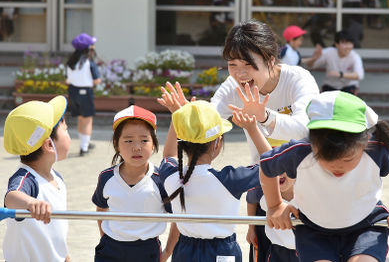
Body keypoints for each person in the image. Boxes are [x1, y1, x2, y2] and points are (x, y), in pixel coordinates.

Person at [254, 91, 389, 262]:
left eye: (348, 159)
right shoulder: (300, 152)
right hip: (314, 229)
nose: (337, 167)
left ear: (364, 143)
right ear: (313, 143)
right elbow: (267, 166)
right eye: (326, 159)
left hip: (366, 224)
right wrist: (275, 205)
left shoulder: (376, 151)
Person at [160, 19, 320, 164]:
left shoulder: (298, 79)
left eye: (248, 64)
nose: (240, 74)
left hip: (304, 173)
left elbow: (306, 128)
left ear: (270, 61)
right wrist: (187, 116)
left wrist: (265, 117)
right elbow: (209, 121)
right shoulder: (232, 87)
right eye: (233, 65)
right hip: (263, 176)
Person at [158, 99, 269, 261]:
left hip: (185, 250)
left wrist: (179, 117)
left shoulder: (171, 176)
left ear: (182, 143)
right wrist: (252, 129)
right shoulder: (230, 180)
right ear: (217, 143)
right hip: (223, 250)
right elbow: (272, 164)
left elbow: (168, 156)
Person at [91, 105, 174, 262]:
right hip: (110, 249)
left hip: (147, 250)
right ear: (116, 144)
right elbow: (101, 209)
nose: (136, 147)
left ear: (154, 144)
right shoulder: (106, 177)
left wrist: (168, 251)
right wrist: (105, 236)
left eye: (144, 140)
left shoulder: (161, 179)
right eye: (128, 140)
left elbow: (178, 217)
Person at [3, 95, 71, 262]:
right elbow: (12, 197)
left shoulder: (57, 178)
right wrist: (31, 203)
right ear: (49, 145)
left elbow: (57, 229)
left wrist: (65, 256)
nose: (69, 135)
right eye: (66, 130)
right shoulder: (26, 179)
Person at [246, 173, 298, 262]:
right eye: (274, 169)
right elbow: (250, 198)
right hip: (276, 251)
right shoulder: (263, 192)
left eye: (284, 167)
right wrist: (251, 228)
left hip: (303, 250)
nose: (280, 173)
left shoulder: (308, 193)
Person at [66, 33, 101, 156]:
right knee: (87, 120)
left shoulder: (71, 61)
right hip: (85, 92)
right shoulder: (89, 62)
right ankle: (84, 147)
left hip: (73, 91)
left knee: (80, 118)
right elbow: (97, 80)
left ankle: (84, 142)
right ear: (89, 48)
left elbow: (68, 79)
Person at [306, 30, 364, 95]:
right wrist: (314, 58)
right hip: (330, 85)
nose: (348, 46)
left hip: (348, 86)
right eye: (344, 43)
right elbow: (311, 66)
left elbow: (359, 75)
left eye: (350, 43)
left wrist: (340, 74)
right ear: (337, 44)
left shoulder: (355, 56)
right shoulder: (328, 52)